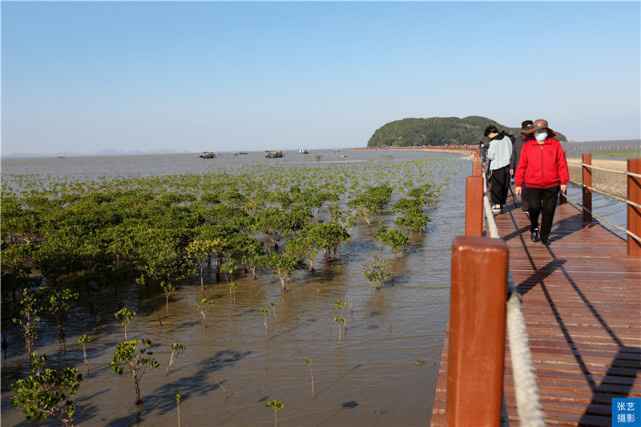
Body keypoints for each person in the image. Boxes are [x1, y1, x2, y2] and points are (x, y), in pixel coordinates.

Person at [514, 119, 569, 245]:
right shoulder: (528, 145)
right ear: (533, 132)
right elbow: (522, 165)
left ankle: (545, 235)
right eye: (537, 131)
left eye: (542, 131)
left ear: (547, 131)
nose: (540, 133)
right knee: (534, 208)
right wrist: (518, 184)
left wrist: (564, 181)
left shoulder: (555, 145)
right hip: (532, 184)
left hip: (552, 184)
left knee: (549, 211)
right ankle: (534, 227)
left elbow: (562, 164)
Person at [485, 125, 513, 213]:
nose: (488, 137)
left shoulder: (493, 142)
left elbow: (491, 156)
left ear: (491, 133)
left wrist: (487, 153)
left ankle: (497, 205)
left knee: (496, 186)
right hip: (507, 165)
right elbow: (511, 151)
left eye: (488, 135)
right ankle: (501, 204)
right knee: (505, 185)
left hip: (497, 166)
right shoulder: (507, 139)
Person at [513, 120, 536, 212]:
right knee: (526, 187)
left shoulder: (534, 139)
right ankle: (527, 205)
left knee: (527, 187)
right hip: (523, 166)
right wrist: (512, 166)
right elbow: (514, 154)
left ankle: (527, 205)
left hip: (528, 167)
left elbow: (513, 154)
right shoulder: (519, 140)